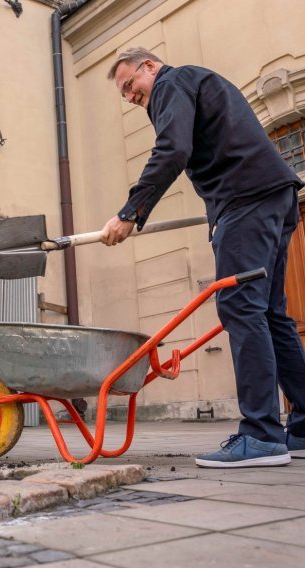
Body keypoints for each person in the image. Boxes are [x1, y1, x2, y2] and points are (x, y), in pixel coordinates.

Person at [102, 47, 305, 468]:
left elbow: (172, 149)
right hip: (272, 196)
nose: (129, 97)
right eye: (123, 93)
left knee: (240, 307)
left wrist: (130, 211)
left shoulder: (172, 83)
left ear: (149, 67)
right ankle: (302, 428)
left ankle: (262, 435)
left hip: (246, 199)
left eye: (129, 85)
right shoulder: (195, 83)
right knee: (270, 313)